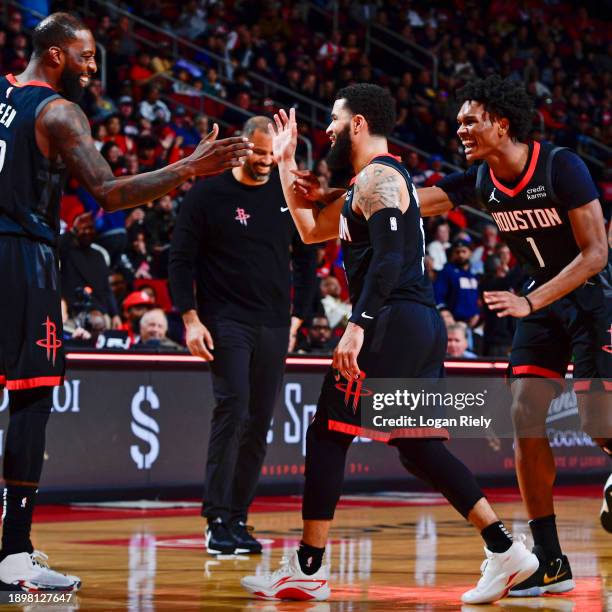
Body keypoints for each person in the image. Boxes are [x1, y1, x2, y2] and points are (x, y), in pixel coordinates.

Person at [241, 86, 538, 605]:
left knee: (330, 431)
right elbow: (311, 231)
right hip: (411, 320)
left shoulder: (380, 176)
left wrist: (358, 324)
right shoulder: (365, 184)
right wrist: (286, 162)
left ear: (358, 123)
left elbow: (392, 259)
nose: (327, 129)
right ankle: (505, 549)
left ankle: (308, 568)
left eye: (334, 120)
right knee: (418, 447)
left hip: (392, 318)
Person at [0, 12, 252, 592]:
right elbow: (110, 193)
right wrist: (189, 167)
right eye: (86, 56)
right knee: (31, 399)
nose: (94, 68)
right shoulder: (57, 111)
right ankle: (13, 553)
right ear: (57, 55)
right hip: (23, 259)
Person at [416, 75, 611, 594]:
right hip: (541, 301)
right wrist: (343, 196)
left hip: (592, 297)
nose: (460, 129)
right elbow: (416, 200)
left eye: (469, 120)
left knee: (601, 427)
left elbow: (595, 254)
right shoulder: (481, 179)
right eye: (458, 122)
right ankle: (550, 561)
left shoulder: (561, 165)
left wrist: (531, 301)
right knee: (525, 411)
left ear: (501, 124)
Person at [169, 116, 317, 557]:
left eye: (270, 154)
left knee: (258, 422)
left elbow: (307, 261)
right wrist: (190, 319)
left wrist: (296, 321)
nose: (264, 161)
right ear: (240, 148)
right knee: (232, 407)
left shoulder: (286, 193)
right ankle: (215, 519)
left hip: (274, 322)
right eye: (256, 152)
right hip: (224, 319)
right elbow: (180, 260)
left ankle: (236, 517)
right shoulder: (208, 194)